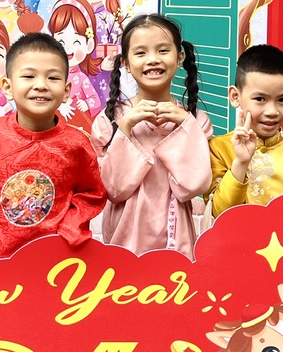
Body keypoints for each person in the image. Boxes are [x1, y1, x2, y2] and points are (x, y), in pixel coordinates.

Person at [0, 33, 105, 259]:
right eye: (29, 76)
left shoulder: (76, 144)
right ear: (7, 86)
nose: (40, 85)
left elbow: (92, 194)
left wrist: (70, 231)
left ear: (66, 91)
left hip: (54, 259)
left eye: (53, 78)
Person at [90, 14, 212, 257]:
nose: (153, 59)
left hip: (177, 244)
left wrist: (185, 125)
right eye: (141, 52)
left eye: (163, 50)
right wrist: (125, 127)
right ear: (126, 63)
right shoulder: (109, 120)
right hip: (124, 245)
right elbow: (112, 190)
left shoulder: (196, 121)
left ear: (179, 58)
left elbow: (194, 186)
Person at [208, 45, 283, 214]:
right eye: (260, 99)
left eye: (282, 100)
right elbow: (218, 212)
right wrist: (241, 163)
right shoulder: (218, 148)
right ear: (235, 96)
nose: (272, 111)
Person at [76, 0, 126, 104]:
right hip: (77, 81)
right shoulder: (77, 15)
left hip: (103, 82)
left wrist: (110, 62)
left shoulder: (110, 21)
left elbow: (121, 51)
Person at [48, 0, 103, 125]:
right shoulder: (50, 77)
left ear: (89, 45)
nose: (68, 48)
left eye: (76, 42)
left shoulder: (81, 78)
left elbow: (95, 100)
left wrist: (85, 103)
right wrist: (60, 107)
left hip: (78, 124)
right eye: (61, 42)